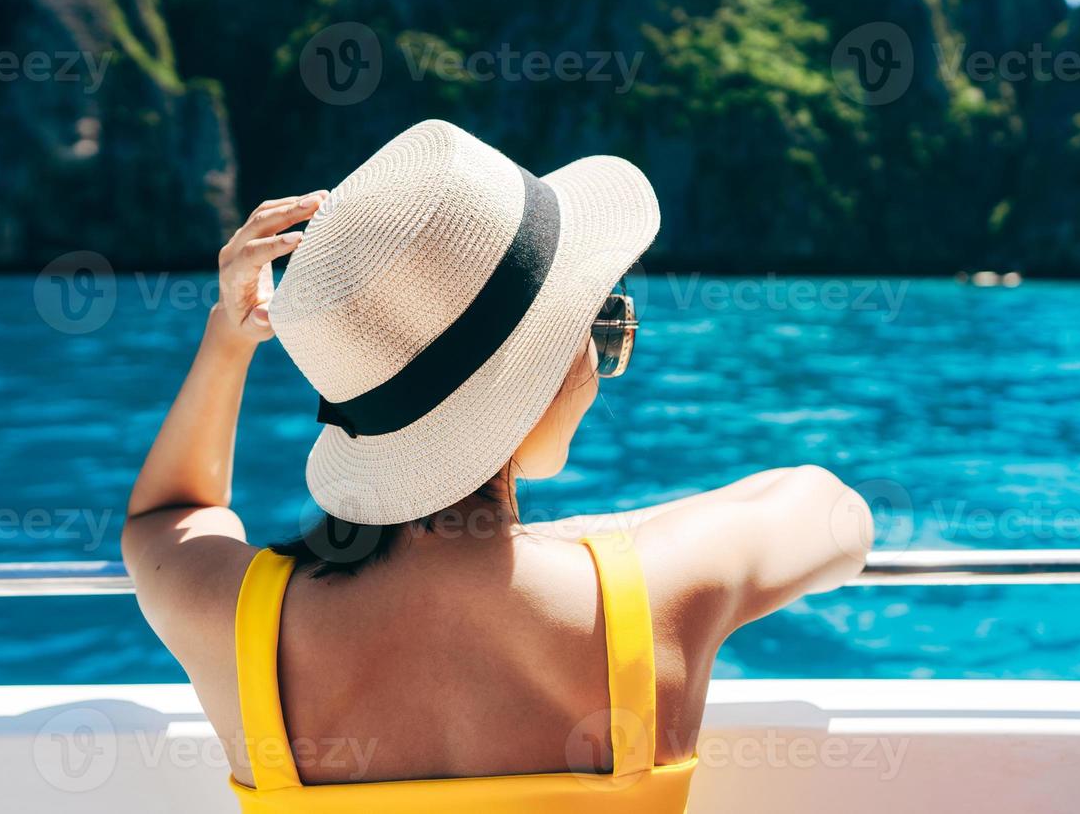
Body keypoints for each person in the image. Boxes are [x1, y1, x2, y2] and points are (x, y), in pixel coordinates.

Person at [123, 119, 872, 811]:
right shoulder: (648, 592)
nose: (602, 352)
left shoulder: (238, 624)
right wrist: (598, 538)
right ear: (538, 371)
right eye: (598, 322)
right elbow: (832, 510)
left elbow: (165, 518)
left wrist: (228, 336)